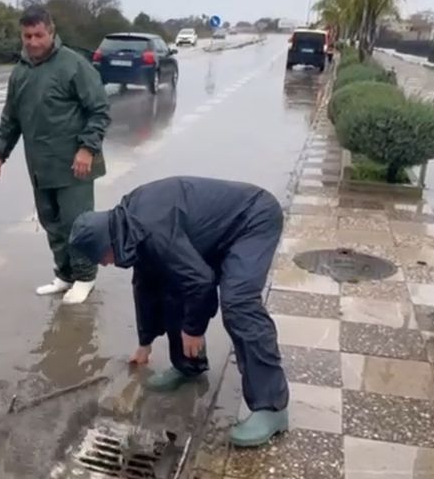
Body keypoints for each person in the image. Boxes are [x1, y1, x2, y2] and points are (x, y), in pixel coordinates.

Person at [68, 176, 290, 447]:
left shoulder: (149, 229)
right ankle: (189, 366)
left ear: (107, 243)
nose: (104, 264)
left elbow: (201, 281)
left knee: (238, 302)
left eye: (102, 258)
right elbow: (146, 285)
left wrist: (193, 329)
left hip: (252, 220)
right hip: (214, 233)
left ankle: (271, 408)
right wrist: (145, 343)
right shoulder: (129, 228)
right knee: (172, 285)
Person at [0, 6, 111, 305]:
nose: (32, 41)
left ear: (51, 33)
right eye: (27, 36)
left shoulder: (73, 65)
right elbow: (11, 118)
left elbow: (99, 110)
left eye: (38, 35)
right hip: (41, 166)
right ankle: (65, 275)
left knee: (76, 223)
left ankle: (85, 277)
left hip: (74, 164)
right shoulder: (20, 72)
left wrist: (87, 148)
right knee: (51, 223)